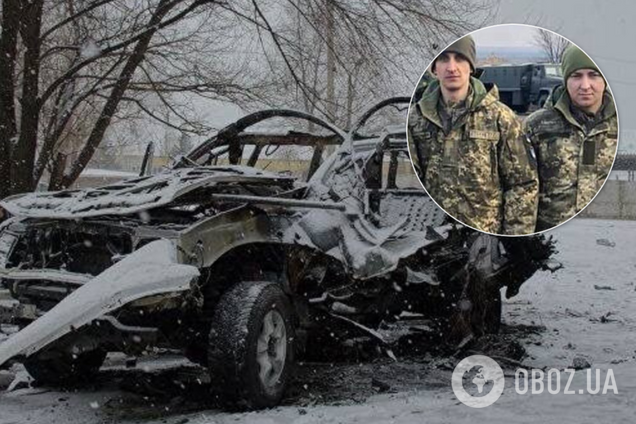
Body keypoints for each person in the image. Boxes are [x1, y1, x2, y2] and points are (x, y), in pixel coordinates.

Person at [408, 35, 538, 235]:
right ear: (434, 69)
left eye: (460, 59)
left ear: (471, 67)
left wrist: (514, 239)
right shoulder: (416, 118)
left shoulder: (500, 117)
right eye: (444, 59)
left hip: (483, 238)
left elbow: (523, 184)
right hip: (430, 238)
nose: (452, 67)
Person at [524, 44, 618, 231]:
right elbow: (521, 190)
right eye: (576, 76)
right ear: (565, 79)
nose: (585, 86)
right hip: (552, 238)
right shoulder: (536, 126)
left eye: (594, 75)